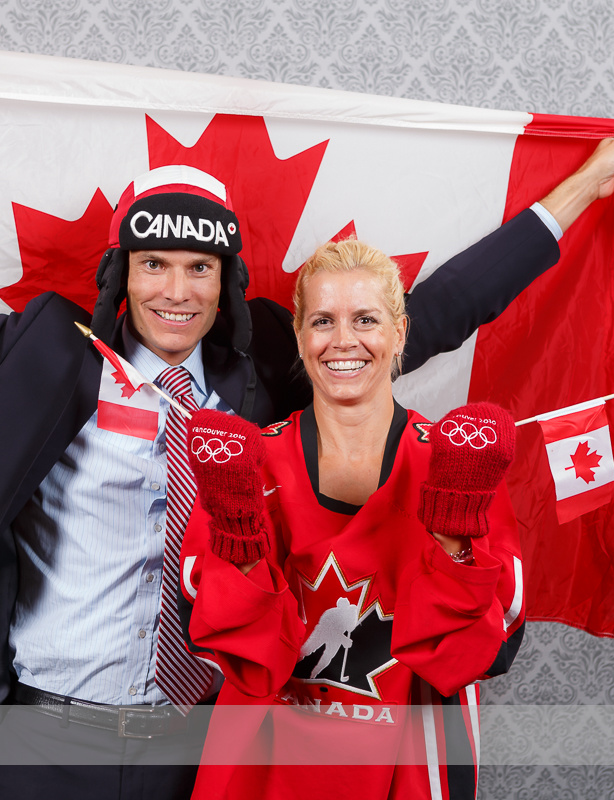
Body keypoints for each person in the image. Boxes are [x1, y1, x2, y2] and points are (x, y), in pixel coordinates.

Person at [0, 71, 614, 799]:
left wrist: (581, 193)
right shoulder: (37, 354)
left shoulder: (265, 374)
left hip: (202, 745)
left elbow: (431, 314)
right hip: (46, 740)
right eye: (156, 262)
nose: (177, 288)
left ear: (227, 282)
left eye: (200, 268)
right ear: (122, 272)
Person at [179, 238, 522, 799]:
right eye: (322, 320)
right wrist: (239, 536)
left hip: (409, 765)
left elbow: (481, 652)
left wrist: (452, 534)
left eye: (365, 318)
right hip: (264, 772)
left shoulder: (458, 463)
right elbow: (240, 659)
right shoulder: (245, 466)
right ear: (299, 336)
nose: (343, 340)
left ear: (400, 332)